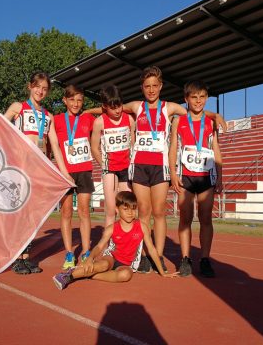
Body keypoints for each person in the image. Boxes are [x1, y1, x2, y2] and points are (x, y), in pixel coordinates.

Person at [87, 66, 226, 274]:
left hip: (160, 168)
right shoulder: (136, 106)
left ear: (161, 86)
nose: (151, 90)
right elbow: (112, 107)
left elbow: (194, 110)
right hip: (140, 167)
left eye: (155, 86)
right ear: (142, 88)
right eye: (147, 86)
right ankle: (143, 256)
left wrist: (215, 115)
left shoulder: (170, 108)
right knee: (143, 212)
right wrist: (86, 113)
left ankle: (157, 255)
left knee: (159, 212)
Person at [0, 71, 56, 275]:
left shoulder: (48, 116)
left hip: (37, 169)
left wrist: (61, 171)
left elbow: (56, 147)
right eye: (37, 87)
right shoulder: (18, 107)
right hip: (18, 169)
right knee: (18, 213)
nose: (40, 91)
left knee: (30, 216)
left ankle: (27, 256)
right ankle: (17, 257)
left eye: (44, 89)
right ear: (30, 86)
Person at [52, 191, 177, 290]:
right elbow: (99, 247)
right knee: (103, 265)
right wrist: (90, 258)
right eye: (126, 209)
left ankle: (89, 275)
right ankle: (67, 276)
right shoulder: (112, 228)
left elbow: (151, 249)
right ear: (117, 210)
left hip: (127, 264)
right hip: (111, 257)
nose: (130, 212)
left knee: (126, 276)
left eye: (133, 208)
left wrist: (162, 272)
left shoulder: (142, 226)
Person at [169, 80, 223, 278]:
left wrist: (220, 176)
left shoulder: (211, 122)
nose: (198, 101)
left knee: (206, 218)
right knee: (185, 218)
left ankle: (205, 258)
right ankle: (185, 258)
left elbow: (216, 148)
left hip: (206, 176)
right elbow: (173, 147)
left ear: (206, 98)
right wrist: (173, 173)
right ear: (186, 99)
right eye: (194, 97)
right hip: (185, 176)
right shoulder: (179, 121)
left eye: (202, 97)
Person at [48, 84, 96, 270]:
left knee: (84, 211)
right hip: (65, 172)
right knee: (66, 213)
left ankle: (85, 251)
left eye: (80, 100)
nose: (76, 104)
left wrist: (89, 109)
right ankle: (69, 253)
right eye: (72, 100)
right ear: (64, 100)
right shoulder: (57, 120)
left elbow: (106, 110)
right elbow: (51, 145)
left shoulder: (88, 119)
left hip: (84, 170)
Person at [91, 85, 135, 227]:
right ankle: (109, 244)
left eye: (119, 106)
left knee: (128, 208)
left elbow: (133, 144)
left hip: (126, 169)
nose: (117, 110)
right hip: (110, 170)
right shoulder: (99, 122)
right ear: (104, 106)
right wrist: (104, 165)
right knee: (111, 210)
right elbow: (94, 147)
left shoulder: (129, 119)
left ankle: (129, 244)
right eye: (112, 107)